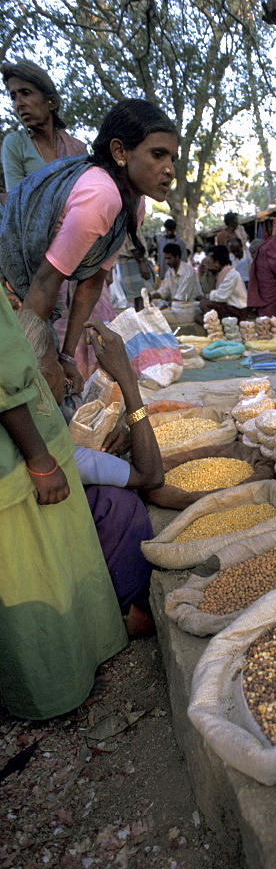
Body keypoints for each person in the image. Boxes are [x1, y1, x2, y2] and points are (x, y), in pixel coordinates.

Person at [0, 284, 126, 719]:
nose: (64, 377)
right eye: (53, 366)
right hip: (20, 465)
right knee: (37, 581)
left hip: (29, 455)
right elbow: (6, 377)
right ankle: (57, 690)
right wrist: (38, 458)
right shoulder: (54, 443)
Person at [0, 98, 179, 395]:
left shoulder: (135, 206)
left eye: (173, 159)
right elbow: (45, 284)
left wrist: (66, 356)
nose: (169, 170)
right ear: (120, 151)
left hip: (37, 289)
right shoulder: (100, 195)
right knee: (20, 385)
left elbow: (92, 283)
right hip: (16, 283)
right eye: (158, 155)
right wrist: (29, 370)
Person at [18, 310, 163, 636]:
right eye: (58, 362)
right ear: (40, 376)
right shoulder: (49, 451)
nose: (65, 373)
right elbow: (151, 475)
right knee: (118, 503)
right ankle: (130, 611)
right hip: (33, 574)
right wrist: (126, 377)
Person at [1, 58, 86, 191]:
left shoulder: (77, 149)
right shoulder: (16, 143)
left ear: (50, 101)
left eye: (25, 93)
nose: (19, 103)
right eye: (13, 97)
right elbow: (15, 201)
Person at [198, 244, 248, 321]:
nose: (208, 263)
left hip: (237, 310)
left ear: (217, 262)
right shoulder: (219, 273)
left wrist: (207, 296)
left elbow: (221, 297)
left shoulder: (231, 274)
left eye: (210, 261)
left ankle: (217, 326)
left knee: (204, 304)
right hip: (228, 307)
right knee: (198, 316)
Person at [150, 242, 201, 308]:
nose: (167, 262)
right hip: (176, 306)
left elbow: (181, 297)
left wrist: (166, 305)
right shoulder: (169, 271)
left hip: (190, 307)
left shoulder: (188, 271)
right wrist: (151, 296)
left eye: (169, 258)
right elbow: (164, 291)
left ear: (177, 257)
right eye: (166, 258)